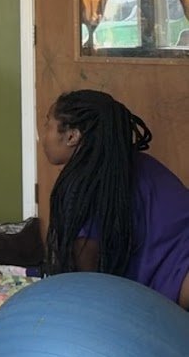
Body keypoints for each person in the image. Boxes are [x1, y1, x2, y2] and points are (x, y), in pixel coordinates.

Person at [41, 89, 189, 308]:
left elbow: (90, 283)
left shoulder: (83, 186)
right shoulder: (141, 163)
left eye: (48, 125)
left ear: (72, 136)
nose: (43, 134)